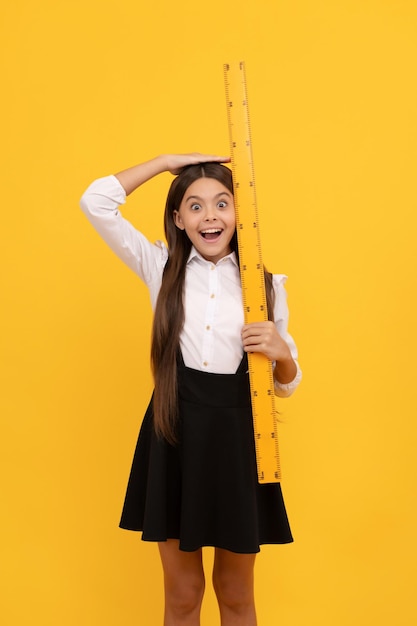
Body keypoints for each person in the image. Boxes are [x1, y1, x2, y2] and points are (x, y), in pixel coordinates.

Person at [80, 153, 302, 626]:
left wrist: (282, 353)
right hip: (174, 434)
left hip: (239, 441)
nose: (210, 216)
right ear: (178, 219)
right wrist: (165, 163)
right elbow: (95, 201)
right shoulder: (160, 267)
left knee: (236, 592)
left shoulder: (265, 285)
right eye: (195, 207)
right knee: (183, 594)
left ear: (240, 214)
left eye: (222, 204)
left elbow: (286, 385)